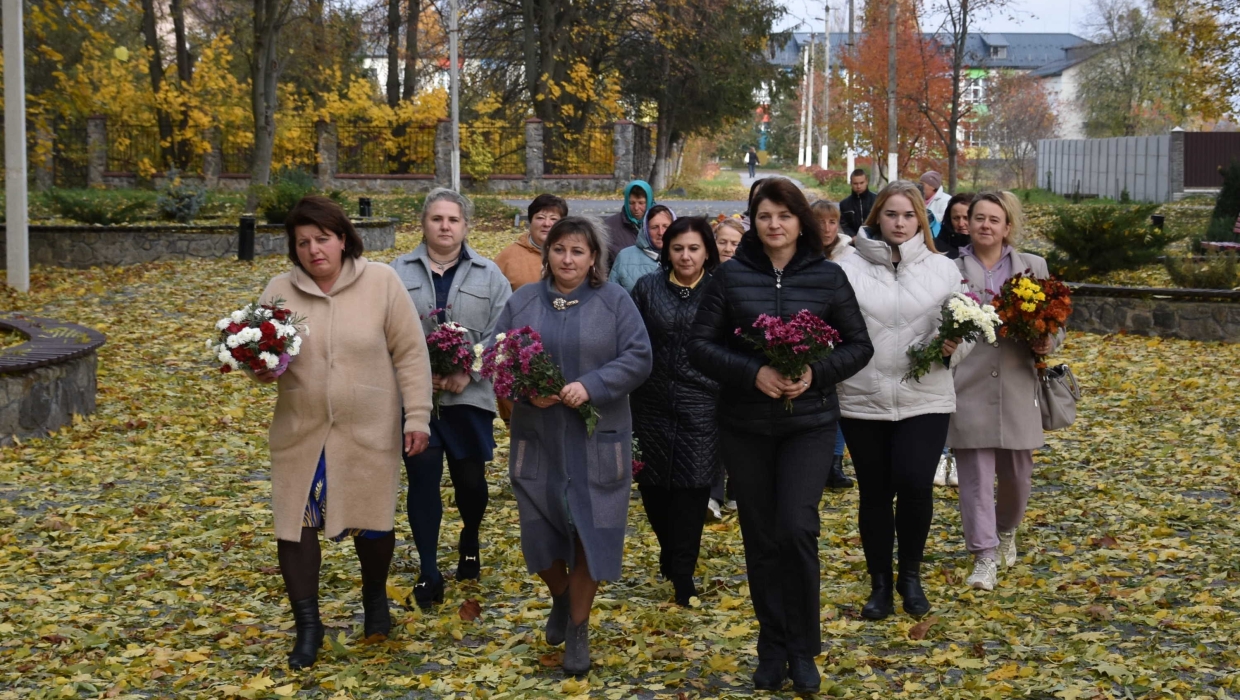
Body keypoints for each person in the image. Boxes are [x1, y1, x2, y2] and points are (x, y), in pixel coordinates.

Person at [688, 178, 873, 694]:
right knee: (762, 537)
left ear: (801, 222)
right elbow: (699, 346)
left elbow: (859, 346)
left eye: (784, 216)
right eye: (765, 215)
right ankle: (772, 647)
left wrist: (816, 372)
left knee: (796, 528)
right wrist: (753, 373)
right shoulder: (729, 278)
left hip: (808, 424)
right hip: (745, 425)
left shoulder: (829, 277)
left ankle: (803, 647)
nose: (775, 225)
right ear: (753, 220)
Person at [256, 195, 433, 670]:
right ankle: (308, 626)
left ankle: (375, 598)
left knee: (372, 524)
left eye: (323, 239)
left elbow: (411, 354)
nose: (315, 250)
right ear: (294, 249)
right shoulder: (279, 290)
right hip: (302, 430)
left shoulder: (381, 281)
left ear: (342, 239)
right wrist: (261, 367)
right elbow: (264, 354)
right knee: (295, 525)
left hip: (368, 429)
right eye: (303, 242)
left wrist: (417, 415)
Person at [495, 217, 652, 676]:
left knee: (590, 533)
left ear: (594, 258)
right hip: (538, 438)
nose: (568, 259)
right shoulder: (523, 301)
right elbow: (497, 353)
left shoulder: (614, 301)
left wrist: (593, 384)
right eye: (560, 249)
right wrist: (526, 391)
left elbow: (639, 356)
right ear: (547, 253)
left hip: (597, 439)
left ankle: (578, 630)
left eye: (578, 252)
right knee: (538, 534)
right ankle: (561, 595)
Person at [836, 180, 973, 623]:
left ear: (922, 219)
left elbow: (966, 328)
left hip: (926, 395)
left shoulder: (942, 268)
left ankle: (909, 577)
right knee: (875, 492)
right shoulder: (847, 266)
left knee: (915, 483)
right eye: (891, 214)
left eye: (909, 215)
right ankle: (879, 583)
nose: (900, 223)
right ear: (877, 216)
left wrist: (955, 346)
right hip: (864, 395)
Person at [391, 188, 513, 609]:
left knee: (470, 483)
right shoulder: (394, 273)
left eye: (453, 220)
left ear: (465, 226)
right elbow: (383, 333)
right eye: (437, 219)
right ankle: (429, 571)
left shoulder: (489, 274)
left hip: (469, 398)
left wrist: (470, 370)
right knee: (422, 478)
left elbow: (503, 332)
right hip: (415, 398)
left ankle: (471, 534)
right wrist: (419, 374)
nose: (445, 226)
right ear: (423, 223)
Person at [949, 191, 1059, 592]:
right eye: (978, 218)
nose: (985, 225)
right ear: (967, 223)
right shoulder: (950, 267)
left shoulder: (1033, 267)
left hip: (1017, 381)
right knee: (975, 475)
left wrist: (1048, 340)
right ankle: (983, 555)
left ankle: (1007, 529)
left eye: (994, 219)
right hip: (968, 383)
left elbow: (1056, 320)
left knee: (1018, 474)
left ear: (1007, 227)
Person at [630, 217, 722, 606]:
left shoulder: (721, 290)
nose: (686, 256)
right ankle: (670, 551)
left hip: (701, 403)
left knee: (691, 490)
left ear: (707, 252)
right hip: (649, 403)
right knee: (653, 490)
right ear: (666, 250)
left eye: (694, 248)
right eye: (678, 248)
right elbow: (630, 340)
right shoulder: (647, 288)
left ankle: (683, 574)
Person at [809, 200, 857, 491]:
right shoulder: (802, 253)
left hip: (839, 334)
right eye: (820, 222)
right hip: (808, 333)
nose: (826, 228)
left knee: (839, 397)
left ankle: (835, 462)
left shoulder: (850, 257)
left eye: (832, 222)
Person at [930, 191, 974, 488]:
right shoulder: (938, 250)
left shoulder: (983, 250)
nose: (962, 223)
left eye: (967, 217)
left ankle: (960, 455)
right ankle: (943, 454)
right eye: (956, 217)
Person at [495, 194, 568, 291]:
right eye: (540, 218)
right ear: (530, 221)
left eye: (553, 219)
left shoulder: (573, 255)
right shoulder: (507, 257)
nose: (546, 224)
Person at [610, 205, 676, 292]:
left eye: (666, 226)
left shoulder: (684, 256)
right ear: (645, 230)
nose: (660, 232)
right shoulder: (624, 257)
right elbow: (612, 297)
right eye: (654, 227)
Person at [603, 180, 654, 261]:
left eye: (641, 203)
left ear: (649, 202)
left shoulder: (661, 224)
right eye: (631, 203)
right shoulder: (609, 226)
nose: (636, 208)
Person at [839, 169, 877, 238]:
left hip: (875, 240)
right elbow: (844, 224)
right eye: (855, 183)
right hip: (854, 242)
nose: (859, 186)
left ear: (867, 182)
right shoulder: (844, 204)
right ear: (851, 183)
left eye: (861, 183)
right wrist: (852, 236)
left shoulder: (876, 200)